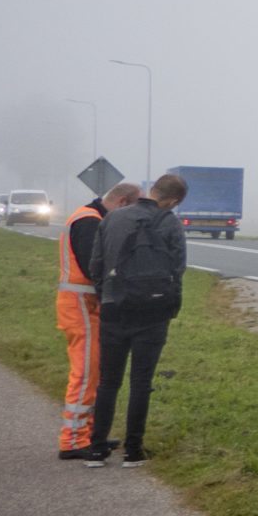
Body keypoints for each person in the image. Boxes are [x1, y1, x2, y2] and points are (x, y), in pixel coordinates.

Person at [84, 172, 189, 468]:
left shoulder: (113, 218)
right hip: (153, 313)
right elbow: (178, 269)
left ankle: (96, 449)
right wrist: (170, 307)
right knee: (141, 382)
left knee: (108, 381)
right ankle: (133, 450)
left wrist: (108, 294)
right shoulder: (170, 223)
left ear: (152, 190)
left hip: (115, 308)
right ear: (174, 200)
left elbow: (96, 265)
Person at [56, 181, 142, 459]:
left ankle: (90, 435)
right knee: (85, 373)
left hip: (86, 305)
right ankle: (73, 441)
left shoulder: (92, 217)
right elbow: (95, 267)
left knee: (95, 372)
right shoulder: (88, 221)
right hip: (81, 305)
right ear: (123, 203)